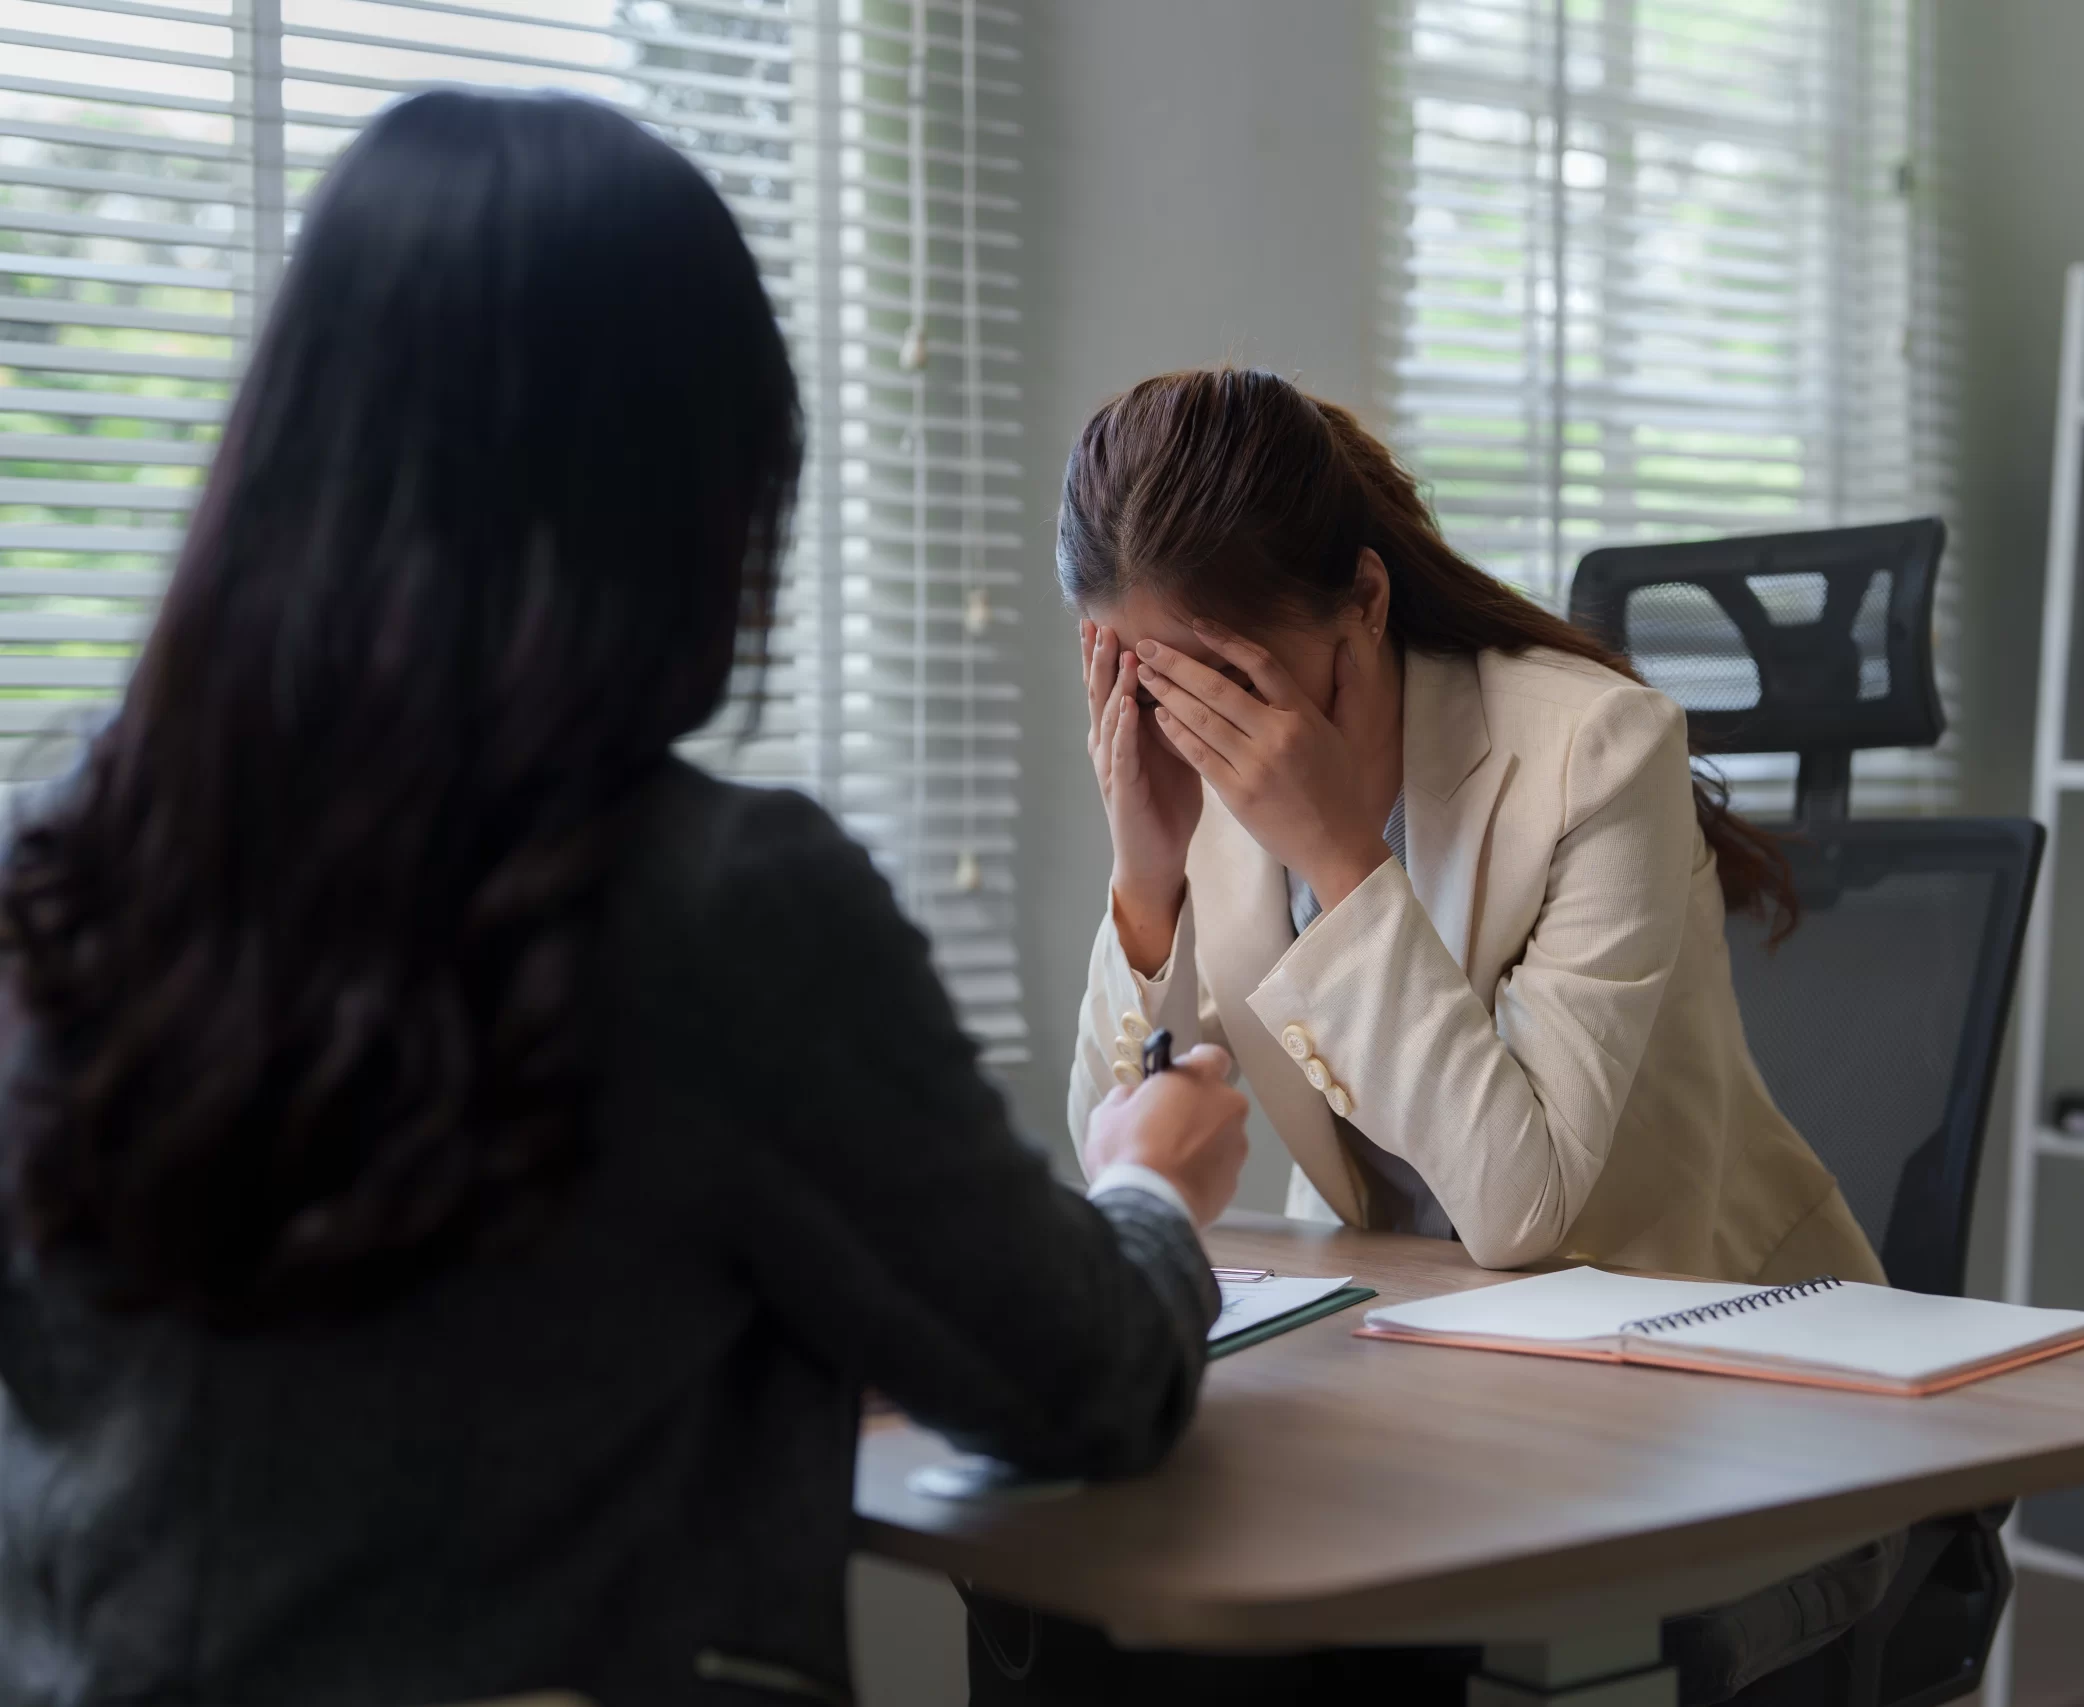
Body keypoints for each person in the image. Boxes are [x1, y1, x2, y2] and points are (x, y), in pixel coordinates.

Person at [0, 91, 1248, 1707]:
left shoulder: (55, 872)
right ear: (695, 501)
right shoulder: (719, 903)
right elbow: (1078, 1380)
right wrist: (1148, 1187)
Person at [1064, 367, 1884, 1288]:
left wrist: (1341, 858)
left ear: (1365, 604)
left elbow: (1520, 1209)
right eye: (1150, 688)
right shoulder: (1197, 788)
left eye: (1230, 685)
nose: (1196, 728)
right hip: (1403, 1319)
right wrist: (1147, 877)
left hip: (1693, 1324)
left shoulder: (1597, 751)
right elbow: (1118, 1152)